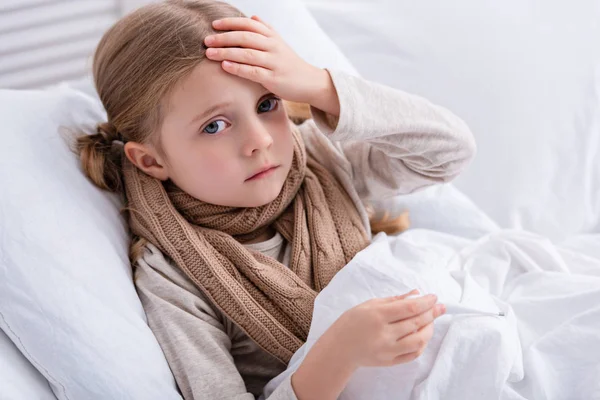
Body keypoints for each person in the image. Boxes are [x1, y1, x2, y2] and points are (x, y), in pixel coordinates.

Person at [76, 1, 476, 398]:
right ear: (151, 160)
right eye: (215, 125)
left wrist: (320, 84)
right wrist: (339, 352)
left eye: (266, 104)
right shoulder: (172, 276)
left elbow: (450, 150)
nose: (261, 140)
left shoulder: (323, 161)